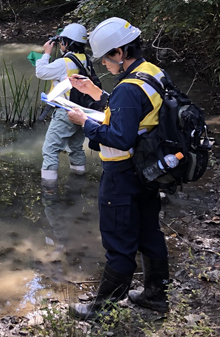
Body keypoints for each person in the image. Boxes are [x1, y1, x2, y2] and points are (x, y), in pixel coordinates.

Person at [66, 17, 170, 320]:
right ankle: (155, 295)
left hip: (122, 175)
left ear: (120, 52)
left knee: (119, 241)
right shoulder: (153, 74)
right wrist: (98, 96)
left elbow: (120, 137)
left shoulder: (127, 88)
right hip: (149, 171)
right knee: (150, 234)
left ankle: (103, 308)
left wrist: (86, 123)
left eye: (106, 59)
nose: (105, 66)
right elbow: (136, 115)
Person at [35, 23, 100, 183]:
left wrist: (46, 53)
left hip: (66, 111)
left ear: (66, 43)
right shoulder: (86, 59)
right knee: (75, 148)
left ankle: (48, 189)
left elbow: (40, 72)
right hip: (83, 112)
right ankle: (79, 179)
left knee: (49, 150)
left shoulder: (64, 62)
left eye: (62, 41)